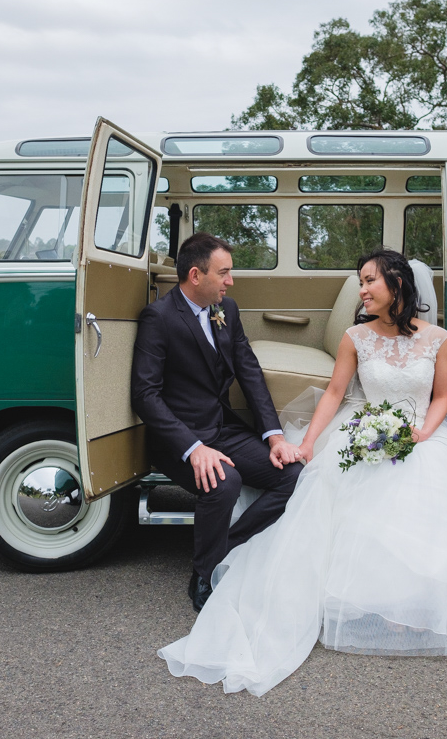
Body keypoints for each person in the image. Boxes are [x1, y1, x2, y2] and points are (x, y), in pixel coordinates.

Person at [158, 247, 447, 696]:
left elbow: (442, 398)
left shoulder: (438, 339)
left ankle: (422, 607)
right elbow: (333, 394)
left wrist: (422, 434)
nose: (362, 289)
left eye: (370, 281)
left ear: (397, 287)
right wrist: (307, 444)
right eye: (361, 280)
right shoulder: (356, 337)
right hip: (364, 432)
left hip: (422, 436)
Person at [131, 232, 305, 613]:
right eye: (224, 273)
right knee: (225, 482)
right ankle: (204, 572)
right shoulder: (159, 318)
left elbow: (249, 372)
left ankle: (227, 546)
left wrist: (274, 436)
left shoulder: (228, 310)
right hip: (182, 439)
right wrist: (193, 448)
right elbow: (145, 395)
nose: (231, 281)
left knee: (293, 475)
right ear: (196, 275)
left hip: (223, 429)